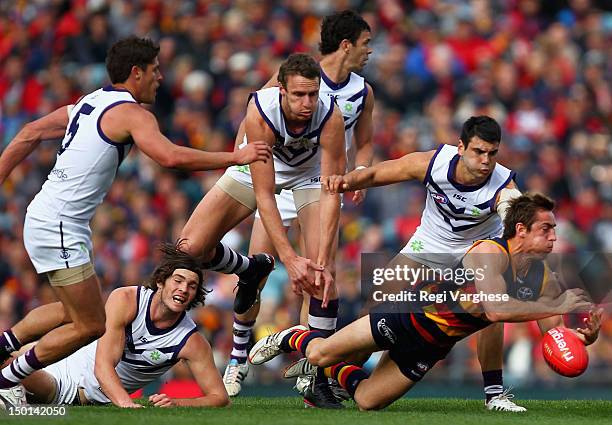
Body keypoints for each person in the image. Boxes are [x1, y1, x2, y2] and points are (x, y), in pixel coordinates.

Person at [0, 36, 271, 403]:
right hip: (61, 225)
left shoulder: (88, 102)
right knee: (91, 325)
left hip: (45, 215)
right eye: (155, 70)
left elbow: (29, 133)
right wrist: (235, 157)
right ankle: (7, 379)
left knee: (75, 312)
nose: (160, 77)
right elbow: (170, 157)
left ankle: (6, 346)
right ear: (136, 72)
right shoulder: (130, 113)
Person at [249, 193, 602, 411]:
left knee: (367, 401)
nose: (555, 237)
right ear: (521, 230)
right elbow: (496, 310)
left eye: (555, 229)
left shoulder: (542, 276)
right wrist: (558, 306)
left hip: (433, 345)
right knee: (316, 354)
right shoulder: (489, 252)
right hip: (407, 315)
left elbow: (552, 328)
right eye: (547, 229)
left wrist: (577, 338)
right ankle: (291, 336)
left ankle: (335, 370)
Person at [321, 115, 531, 411]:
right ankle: (331, 380)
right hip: (431, 244)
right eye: (479, 151)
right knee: (378, 301)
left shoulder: (504, 186)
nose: (486, 161)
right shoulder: (433, 164)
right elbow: (378, 173)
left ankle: (494, 394)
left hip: (477, 250)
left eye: (492, 153)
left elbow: (517, 214)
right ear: (461, 147)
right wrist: (345, 181)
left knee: (489, 309)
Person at [223, 10, 374, 402]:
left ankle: (311, 371)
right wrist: (243, 156)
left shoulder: (362, 92)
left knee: (323, 272)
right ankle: (238, 354)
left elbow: (366, 139)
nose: (370, 51)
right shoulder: (297, 76)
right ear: (347, 45)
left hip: (316, 181)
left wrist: (359, 170)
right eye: (366, 43)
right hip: (275, 179)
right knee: (257, 266)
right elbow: (255, 116)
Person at [0, 243, 229, 408]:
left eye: (191, 286)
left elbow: (219, 397)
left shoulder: (190, 341)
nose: (184, 289)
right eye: (178, 281)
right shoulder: (127, 299)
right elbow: (104, 365)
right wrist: (126, 404)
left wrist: (177, 403)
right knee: (73, 308)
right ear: (160, 282)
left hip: (64, 387)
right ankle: (8, 343)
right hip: (53, 353)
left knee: (6, 369)